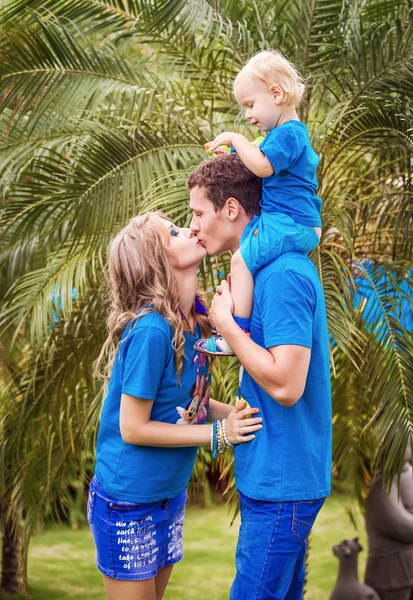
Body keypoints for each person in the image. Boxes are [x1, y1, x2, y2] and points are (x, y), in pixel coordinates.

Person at [88, 212, 263, 600]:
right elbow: (133, 427)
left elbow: (189, 403)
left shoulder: (194, 322)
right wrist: (220, 434)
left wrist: (231, 415)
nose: (191, 228)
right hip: (127, 501)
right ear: (156, 259)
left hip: (169, 495)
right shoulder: (152, 329)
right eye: (174, 231)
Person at [187, 154, 332, 599]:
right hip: (272, 478)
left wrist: (228, 325)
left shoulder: (283, 276)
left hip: (281, 485)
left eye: (197, 213)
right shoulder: (260, 274)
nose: (192, 226)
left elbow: (287, 386)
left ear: (231, 209)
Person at [195, 49, 322, 356]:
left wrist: (235, 138)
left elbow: (263, 167)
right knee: (246, 261)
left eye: (250, 105)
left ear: (276, 93)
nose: (248, 115)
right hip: (289, 222)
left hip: (290, 223)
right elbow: (257, 163)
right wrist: (235, 158)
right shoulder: (283, 136)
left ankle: (233, 332)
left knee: (240, 261)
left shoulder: (288, 134)